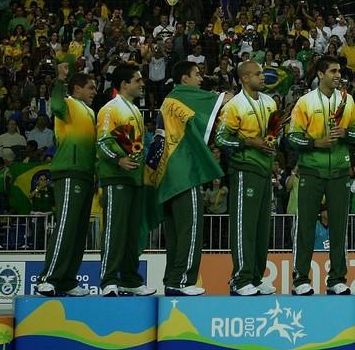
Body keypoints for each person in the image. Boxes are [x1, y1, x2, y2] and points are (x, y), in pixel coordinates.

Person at [149, 60, 225, 296]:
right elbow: (226, 100)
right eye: (197, 75)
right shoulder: (183, 94)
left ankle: (172, 279)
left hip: (167, 175)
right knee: (191, 229)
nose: (200, 79)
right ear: (185, 79)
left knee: (174, 233)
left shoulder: (168, 100)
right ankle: (183, 281)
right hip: (184, 172)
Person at [287, 56, 355, 296]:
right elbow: (292, 137)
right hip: (312, 171)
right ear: (320, 75)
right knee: (306, 227)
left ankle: (337, 279)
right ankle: (300, 279)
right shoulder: (305, 102)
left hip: (340, 171)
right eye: (333, 71)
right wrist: (315, 142)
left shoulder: (347, 100)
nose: (338, 75)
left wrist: (346, 133)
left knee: (339, 227)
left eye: (339, 71)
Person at [215, 60, 278, 296]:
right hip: (243, 170)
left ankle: (256, 277)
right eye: (258, 74)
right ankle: (240, 279)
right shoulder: (234, 106)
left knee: (262, 229)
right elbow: (221, 139)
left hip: (264, 170)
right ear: (244, 78)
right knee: (244, 227)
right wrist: (250, 142)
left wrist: (272, 147)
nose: (263, 77)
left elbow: (272, 135)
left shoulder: (270, 102)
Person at [36, 63, 97, 296]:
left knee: (79, 231)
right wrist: (60, 79)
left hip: (86, 175)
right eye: (90, 88)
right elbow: (56, 103)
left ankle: (68, 281)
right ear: (77, 89)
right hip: (69, 173)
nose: (94, 92)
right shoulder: (68, 104)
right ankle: (48, 278)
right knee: (65, 226)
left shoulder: (91, 112)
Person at [97, 63, 154, 296]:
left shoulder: (134, 110)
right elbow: (102, 142)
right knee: (115, 229)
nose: (142, 84)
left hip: (135, 180)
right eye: (138, 80)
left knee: (132, 232)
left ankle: (130, 280)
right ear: (124, 84)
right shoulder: (110, 109)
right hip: (115, 177)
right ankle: (108, 280)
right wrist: (118, 160)